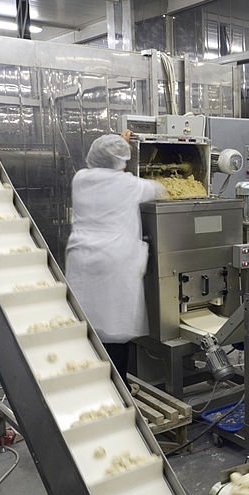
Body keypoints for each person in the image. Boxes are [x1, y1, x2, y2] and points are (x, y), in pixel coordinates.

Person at [65, 132, 167, 380]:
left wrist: (116, 146)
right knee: (115, 331)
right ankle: (118, 389)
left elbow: (105, 171)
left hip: (82, 259)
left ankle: (88, 382)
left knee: (87, 326)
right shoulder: (129, 184)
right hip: (114, 262)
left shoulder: (80, 179)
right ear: (121, 161)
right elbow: (160, 189)